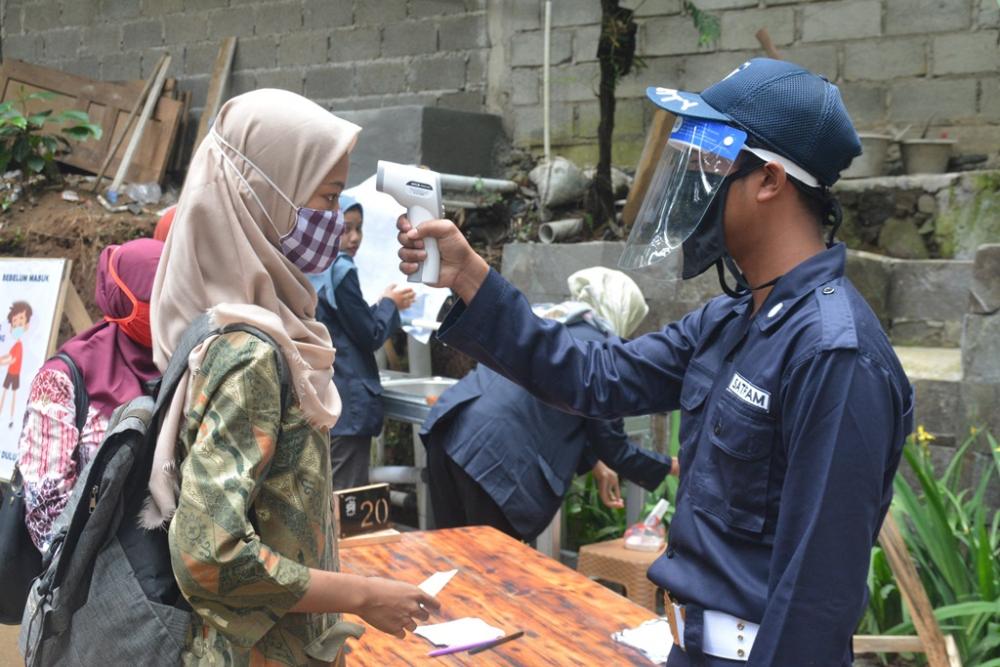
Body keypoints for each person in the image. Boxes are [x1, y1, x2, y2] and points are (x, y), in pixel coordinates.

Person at [398, 59, 913, 666]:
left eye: (711, 164)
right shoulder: (730, 321)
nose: (694, 183)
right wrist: (473, 279)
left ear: (770, 180)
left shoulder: (834, 354)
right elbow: (591, 377)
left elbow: (814, 597)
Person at [144, 89, 438, 666]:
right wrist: (362, 594)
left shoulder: (241, 322)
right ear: (262, 196)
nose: (331, 224)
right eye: (326, 200)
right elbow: (211, 553)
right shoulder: (251, 354)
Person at [421, 267, 678, 542]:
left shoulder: (548, 320)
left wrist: (595, 464)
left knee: (450, 560)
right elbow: (614, 446)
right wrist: (672, 466)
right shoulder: (599, 352)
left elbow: (553, 407)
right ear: (622, 311)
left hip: (450, 430)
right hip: (497, 462)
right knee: (488, 571)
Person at [15, 239, 162, 553]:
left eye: (171, 294)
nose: (165, 307)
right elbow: (47, 511)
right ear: (120, 297)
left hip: (170, 576)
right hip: (92, 577)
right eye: (153, 296)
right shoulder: (62, 379)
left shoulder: (188, 362)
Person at [311, 196, 415, 490]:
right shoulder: (340, 270)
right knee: (344, 499)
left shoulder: (313, 268)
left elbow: (346, 327)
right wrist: (390, 304)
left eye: (359, 229)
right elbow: (369, 335)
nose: (354, 238)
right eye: (345, 229)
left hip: (324, 398)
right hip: (348, 403)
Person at [0, 300, 33, 428]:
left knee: (13, 395)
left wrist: (2, 361)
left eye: (20, 322)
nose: (17, 326)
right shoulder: (15, 344)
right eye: (14, 323)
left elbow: (12, 359)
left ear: (26, 325)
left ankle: (11, 418)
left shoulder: (19, 346)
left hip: (15, 374)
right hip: (10, 372)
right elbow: (8, 356)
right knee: (4, 393)